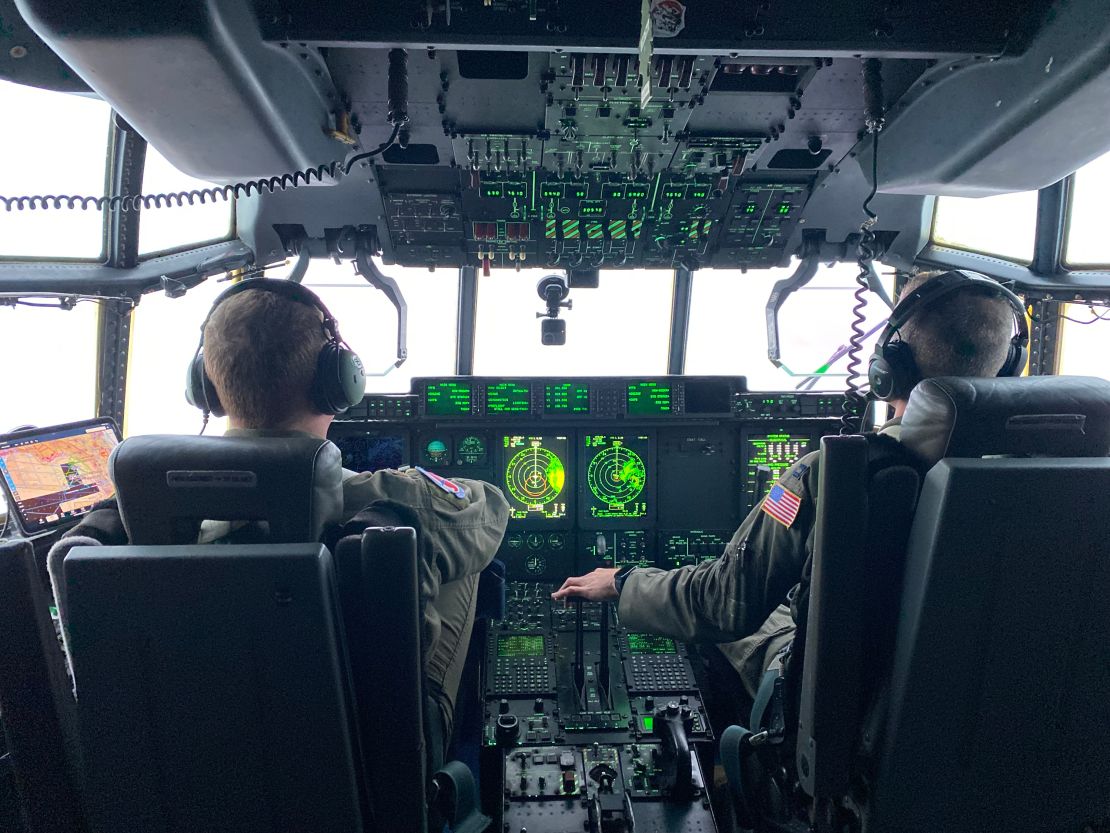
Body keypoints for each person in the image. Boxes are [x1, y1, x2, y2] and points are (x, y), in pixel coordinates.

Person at [552, 269, 1025, 698]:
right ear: (1007, 365)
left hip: (846, 717)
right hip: (984, 707)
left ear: (890, 363)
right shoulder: (1049, 476)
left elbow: (722, 602)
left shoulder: (838, 472)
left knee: (736, 625)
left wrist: (623, 581)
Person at [198, 279, 510, 756]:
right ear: (337, 380)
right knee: (460, 558)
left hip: (211, 745)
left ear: (206, 384)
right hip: (371, 756)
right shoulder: (386, 499)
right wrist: (411, 485)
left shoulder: (144, 508)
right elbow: (490, 510)